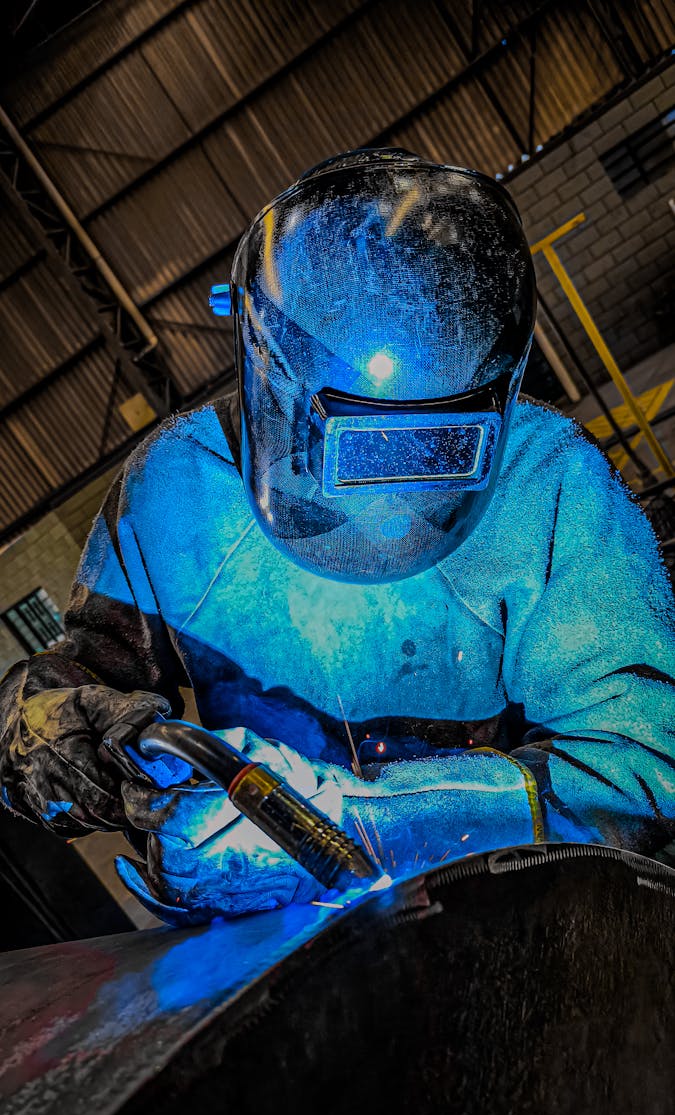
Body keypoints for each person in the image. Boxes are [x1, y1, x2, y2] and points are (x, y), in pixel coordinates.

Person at [1, 148, 674, 926]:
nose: (391, 511)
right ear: (271, 377)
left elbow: (644, 766)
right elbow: (63, 686)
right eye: (364, 451)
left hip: (519, 916)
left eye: (432, 449)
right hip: (283, 932)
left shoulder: (548, 482)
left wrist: (373, 818)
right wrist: (58, 739)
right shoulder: (178, 491)